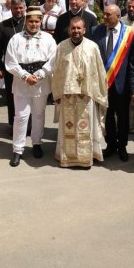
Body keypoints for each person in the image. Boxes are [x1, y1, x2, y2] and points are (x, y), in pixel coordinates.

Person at [51, 15, 108, 168]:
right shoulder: (61, 47)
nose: (76, 31)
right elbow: (56, 71)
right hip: (67, 94)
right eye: (73, 28)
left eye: (79, 28)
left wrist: (99, 94)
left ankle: (86, 158)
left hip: (86, 94)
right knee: (68, 128)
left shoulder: (92, 47)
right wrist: (56, 94)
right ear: (69, 30)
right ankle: (68, 158)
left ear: (84, 29)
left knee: (86, 127)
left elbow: (99, 71)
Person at [4, 8, 57, 166]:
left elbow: (53, 60)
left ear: (41, 21)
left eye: (37, 21)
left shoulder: (48, 38)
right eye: (31, 21)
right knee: (21, 116)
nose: (34, 24)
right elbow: (10, 61)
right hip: (22, 82)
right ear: (26, 21)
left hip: (41, 82)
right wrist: (25, 76)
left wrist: (40, 74)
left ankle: (37, 143)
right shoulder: (16, 38)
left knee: (39, 114)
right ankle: (18, 149)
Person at [93, 4, 134, 161]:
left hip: (121, 86)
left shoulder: (130, 34)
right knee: (108, 117)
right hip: (102, 84)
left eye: (108, 15)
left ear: (118, 16)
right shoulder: (96, 31)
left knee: (123, 117)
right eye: (104, 14)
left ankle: (122, 146)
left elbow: (133, 64)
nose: (104, 17)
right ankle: (110, 144)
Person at [0, 0, 27, 131]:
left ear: (24, 8)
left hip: (28, 68)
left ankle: (28, 125)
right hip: (10, 68)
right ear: (11, 9)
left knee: (28, 97)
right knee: (12, 96)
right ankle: (13, 125)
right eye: (15, 8)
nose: (18, 10)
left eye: (20, 8)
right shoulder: (3, 25)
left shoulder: (30, 23)